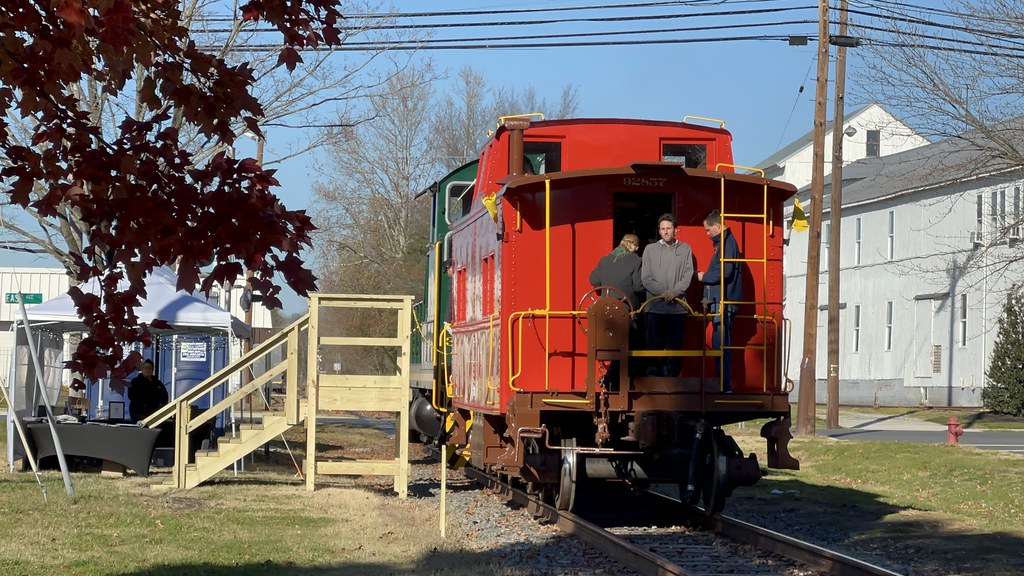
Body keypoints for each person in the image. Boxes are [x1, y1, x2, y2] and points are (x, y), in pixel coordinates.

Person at [641, 214, 694, 377]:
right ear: (659, 231)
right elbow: (646, 278)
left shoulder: (685, 248)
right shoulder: (649, 249)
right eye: (662, 229)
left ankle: (672, 379)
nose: (665, 232)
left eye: (668, 228)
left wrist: (675, 293)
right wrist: (663, 294)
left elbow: (688, 274)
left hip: (677, 308)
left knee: (675, 346)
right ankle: (652, 379)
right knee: (652, 346)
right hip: (654, 307)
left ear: (675, 230)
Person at [698, 209, 743, 392]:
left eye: (708, 230)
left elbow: (726, 272)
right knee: (719, 343)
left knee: (721, 344)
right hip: (722, 300)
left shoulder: (726, 243)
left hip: (724, 301)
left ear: (717, 226)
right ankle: (722, 383)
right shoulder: (725, 242)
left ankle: (723, 385)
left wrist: (704, 277)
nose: (707, 234)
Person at [589, 233, 643, 308]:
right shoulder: (636, 260)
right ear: (636, 248)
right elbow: (638, 287)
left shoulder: (604, 259)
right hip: (625, 309)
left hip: (605, 306)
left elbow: (594, 280)